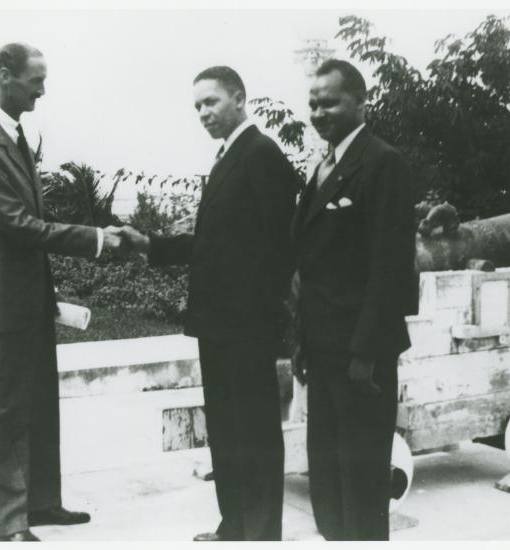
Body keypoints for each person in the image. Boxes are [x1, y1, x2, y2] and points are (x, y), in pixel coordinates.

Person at [0, 42, 125, 542]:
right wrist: (96, 239)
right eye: (36, 80)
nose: (43, 89)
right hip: (1, 302)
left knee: (41, 403)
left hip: (29, 299)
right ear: (6, 76)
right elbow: (20, 225)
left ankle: (42, 504)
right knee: (3, 410)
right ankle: (10, 524)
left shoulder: (15, 136)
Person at [120, 66, 299, 541]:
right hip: (220, 325)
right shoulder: (229, 157)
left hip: (246, 325)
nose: (203, 113)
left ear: (239, 99)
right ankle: (234, 525)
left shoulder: (260, 154)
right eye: (197, 106)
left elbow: (280, 245)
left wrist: (263, 314)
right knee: (226, 428)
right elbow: (213, 244)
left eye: (211, 102)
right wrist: (150, 244)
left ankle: (259, 533)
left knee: (254, 431)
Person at [291, 58, 418, 541]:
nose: (319, 111)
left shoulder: (382, 162)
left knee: (362, 485)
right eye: (313, 103)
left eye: (330, 101)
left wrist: (365, 354)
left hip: (360, 358)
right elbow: (310, 266)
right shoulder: (323, 167)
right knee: (326, 477)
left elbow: (389, 269)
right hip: (322, 351)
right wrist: (302, 343)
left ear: (361, 102)